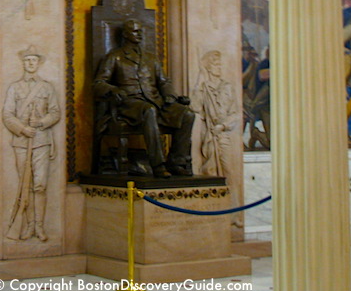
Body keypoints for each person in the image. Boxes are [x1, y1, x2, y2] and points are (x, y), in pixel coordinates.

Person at [92, 19, 195, 178]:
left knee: (187, 114)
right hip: (129, 104)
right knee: (149, 111)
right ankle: (158, 166)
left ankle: (177, 162)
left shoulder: (151, 58)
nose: (139, 34)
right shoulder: (115, 57)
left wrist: (169, 95)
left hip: (155, 101)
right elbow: (98, 83)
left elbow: (164, 81)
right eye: (135, 31)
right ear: (125, 34)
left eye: (140, 31)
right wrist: (113, 90)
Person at [2, 46, 60, 242]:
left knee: (40, 185)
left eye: (34, 60)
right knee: (25, 185)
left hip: (41, 142)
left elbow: (55, 112)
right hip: (21, 142)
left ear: (39, 63)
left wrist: (41, 123)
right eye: (27, 60)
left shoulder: (46, 87)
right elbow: (7, 115)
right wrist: (22, 128)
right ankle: (26, 226)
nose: (31, 64)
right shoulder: (14, 88)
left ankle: (39, 226)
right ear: (23, 63)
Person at [191, 50, 242, 183]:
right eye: (216, 65)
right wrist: (199, 82)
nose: (219, 67)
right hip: (209, 134)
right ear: (208, 67)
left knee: (228, 169)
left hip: (223, 135)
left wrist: (223, 126)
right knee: (210, 171)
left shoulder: (227, 87)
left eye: (220, 64)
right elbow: (195, 107)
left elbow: (235, 113)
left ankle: (230, 198)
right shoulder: (204, 87)